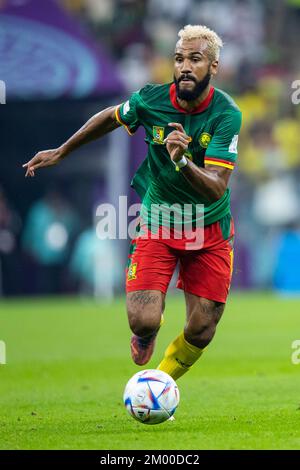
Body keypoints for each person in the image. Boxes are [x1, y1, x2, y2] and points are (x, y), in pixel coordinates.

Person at [23, 25, 242, 381]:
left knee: (202, 329)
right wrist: (63, 151)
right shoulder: (150, 100)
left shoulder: (226, 114)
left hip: (208, 228)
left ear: (214, 66)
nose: (185, 66)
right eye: (179, 58)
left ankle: (158, 384)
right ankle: (147, 334)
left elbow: (217, 187)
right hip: (159, 220)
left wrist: (182, 161)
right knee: (142, 321)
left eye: (196, 59)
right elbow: (111, 117)